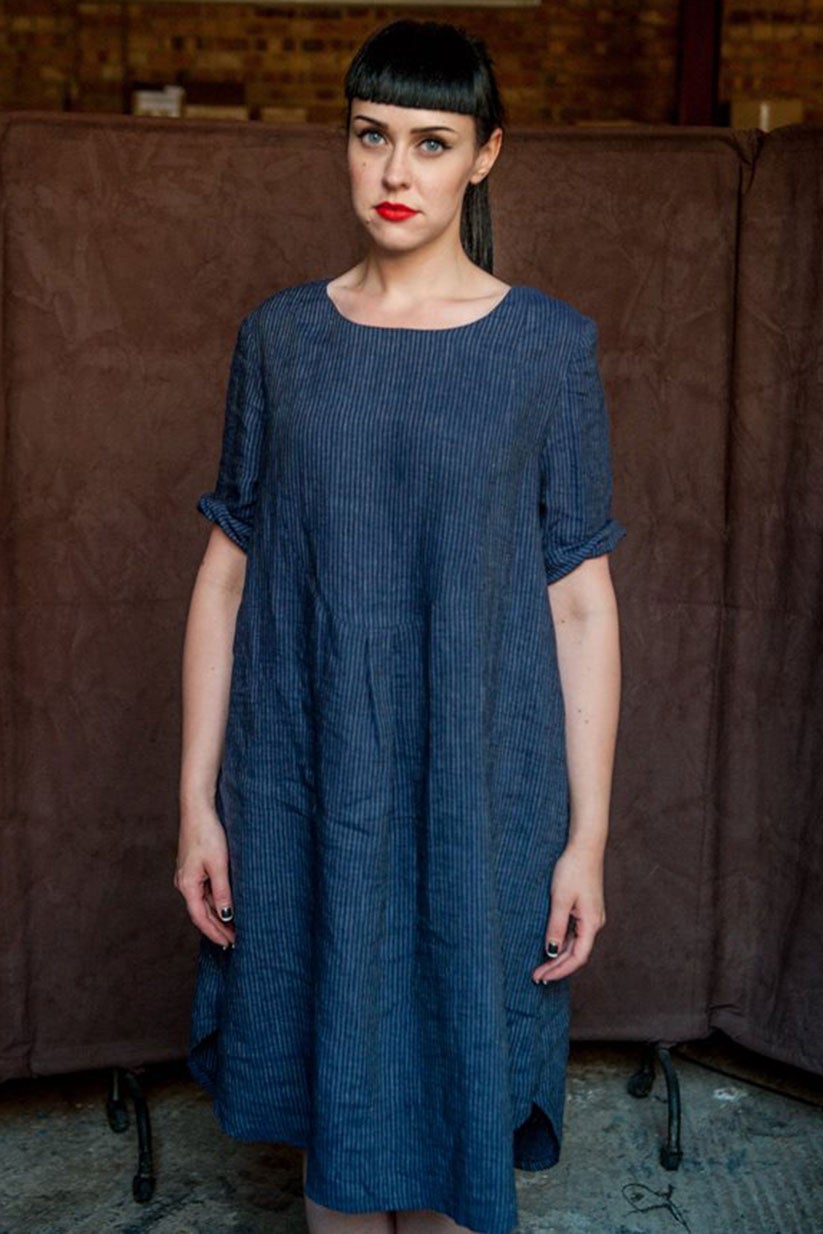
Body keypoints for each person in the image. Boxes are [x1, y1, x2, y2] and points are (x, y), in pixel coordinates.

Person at [175, 18, 625, 1234]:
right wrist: (197, 804)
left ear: (485, 156)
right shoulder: (282, 338)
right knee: (337, 1122)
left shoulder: (548, 348)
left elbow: (580, 602)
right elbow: (224, 582)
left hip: (482, 796)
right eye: (371, 135)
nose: (394, 171)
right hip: (308, 789)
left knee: (454, 1123)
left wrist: (585, 840)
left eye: (431, 142)